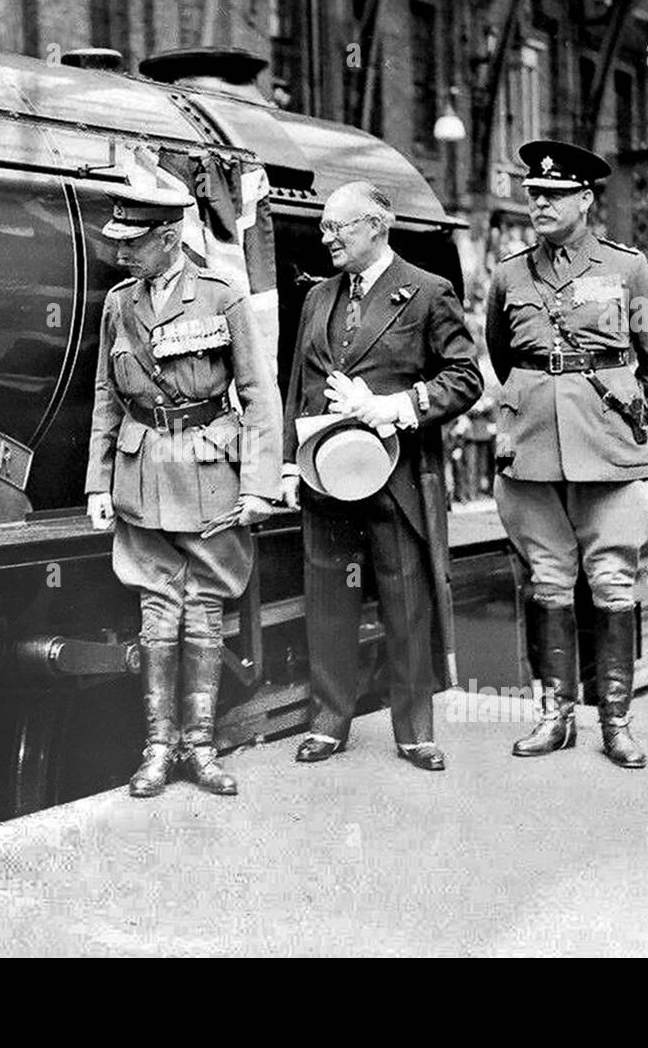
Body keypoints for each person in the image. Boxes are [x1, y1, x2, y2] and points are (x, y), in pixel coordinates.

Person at [486, 140, 648, 769]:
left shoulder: (631, 270)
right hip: (533, 454)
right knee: (547, 583)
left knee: (612, 583)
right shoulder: (510, 275)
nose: (539, 203)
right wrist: (534, 406)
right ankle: (555, 718)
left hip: (609, 454)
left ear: (585, 200)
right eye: (534, 193)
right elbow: (503, 353)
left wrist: (625, 418)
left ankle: (616, 723)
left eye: (554, 195)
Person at [86, 183, 282, 797]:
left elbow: (257, 394)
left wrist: (259, 484)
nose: (122, 253)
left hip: (208, 470)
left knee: (204, 606)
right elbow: (105, 399)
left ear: (170, 240)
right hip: (141, 472)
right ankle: (157, 748)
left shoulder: (222, 298)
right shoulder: (119, 305)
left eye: (134, 241)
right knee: (155, 610)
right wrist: (97, 483)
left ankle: (200, 747)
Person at [281, 181, 482, 771]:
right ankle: (328, 722)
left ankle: (415, 731)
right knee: (328, 600)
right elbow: (300, 380)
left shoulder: (426, 292)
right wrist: (292, 467)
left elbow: (465, 377)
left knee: (405, 602)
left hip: (395, 477)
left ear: (375, 225)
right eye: (324, 228)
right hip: (325, 476)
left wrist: (398, 406)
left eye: (336, 228)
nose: (326, 238)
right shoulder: (318, 298)